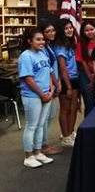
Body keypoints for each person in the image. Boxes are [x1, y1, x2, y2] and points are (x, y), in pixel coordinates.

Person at [19, 29, 55, 168]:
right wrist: (42, 94)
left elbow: (49, 72)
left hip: (46, 94)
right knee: (32, 125)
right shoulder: (26, 56)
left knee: (41, 125)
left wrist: (51, 89)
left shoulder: (42, 54)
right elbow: (29, 79)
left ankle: (38, 152)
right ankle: (28, 156)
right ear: (29, 41)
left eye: (42, 39)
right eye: (38, 39)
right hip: (33, 95)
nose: (42, 42)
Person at [51, 19, 78, 147]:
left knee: (73, 108)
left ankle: (71, 132)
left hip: (75, 78)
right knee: (65, 109)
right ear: (61, 31)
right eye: (66, 28)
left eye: (71, 27)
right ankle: (65, 136)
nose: (70, 30)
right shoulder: (60, 46)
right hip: (66, 80)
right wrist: (68, 87)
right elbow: (63, 68)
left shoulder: (69, 43)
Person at [38, 22, 62, 155]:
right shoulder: (41, 49)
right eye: (48, 31)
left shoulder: (48, 46)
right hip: (47, 86)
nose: (52, 33)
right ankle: (43, 145)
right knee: (45, 117)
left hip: (53, 84)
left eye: (53, 30)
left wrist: (57, 81)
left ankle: (42, 143)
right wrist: (54, 83)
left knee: (51, 115)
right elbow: (47, 68)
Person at [75, 21, 95, 118]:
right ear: (83, 32)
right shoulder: (80, 45)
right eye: (86, 30)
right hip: (85, 75)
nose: (90, 32)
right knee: (89, 103)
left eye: (91, 29)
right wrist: (90, 77)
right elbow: (83, 61)